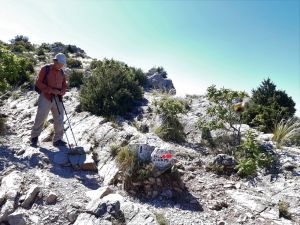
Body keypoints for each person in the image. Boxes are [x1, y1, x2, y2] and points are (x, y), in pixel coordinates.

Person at [30, 53, 68, 147]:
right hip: (46, 97)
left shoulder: (62, 72)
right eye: (60, 63)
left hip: (58, 98)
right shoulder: (45, 69)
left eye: (63, 64)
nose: (61, 65)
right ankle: (34, 138)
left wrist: (62, 92)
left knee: (59, 119)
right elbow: (38, 83)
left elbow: (64, 85)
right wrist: (51, 90)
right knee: (41, 117)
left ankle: (58, 139)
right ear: (55, 61)